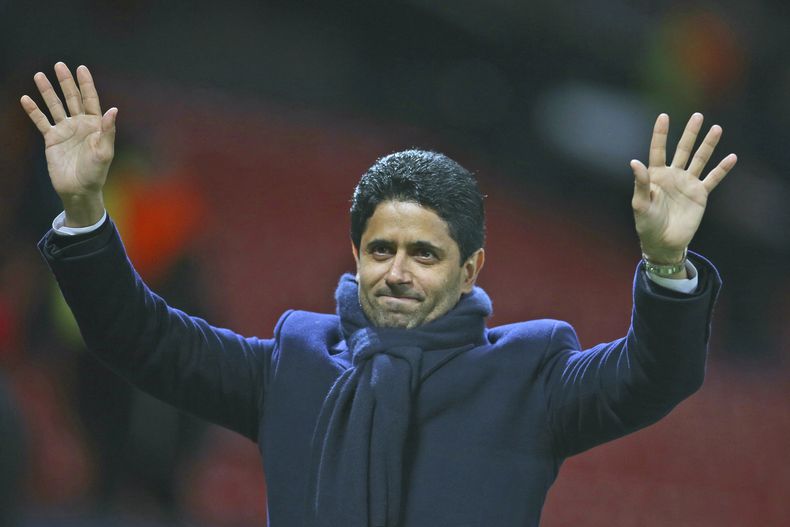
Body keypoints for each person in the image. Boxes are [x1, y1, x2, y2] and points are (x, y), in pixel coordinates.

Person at [23, 62, 736, 527]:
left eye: (425, 253)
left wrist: (667, 259)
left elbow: (655, 374)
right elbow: (137, 337)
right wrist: (86, 211)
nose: (397, 270)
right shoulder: (293, 362)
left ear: (470, 269)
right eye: (381, 249)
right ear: (357, 255)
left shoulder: (531, 375)